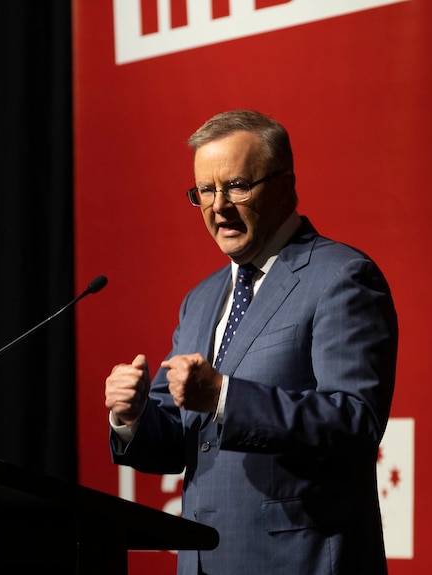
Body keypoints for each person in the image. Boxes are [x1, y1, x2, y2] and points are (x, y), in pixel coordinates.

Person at [105, 110, 398, 574]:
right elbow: (176, 445)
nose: (218, 206)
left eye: (237, 186)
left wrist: (224, 398)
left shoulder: (341, 277)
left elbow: (354, 422)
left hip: (298, 562)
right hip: (203, 559)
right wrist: (132, 416)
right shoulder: (200, 300)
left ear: (286, 185)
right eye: (205, 190)